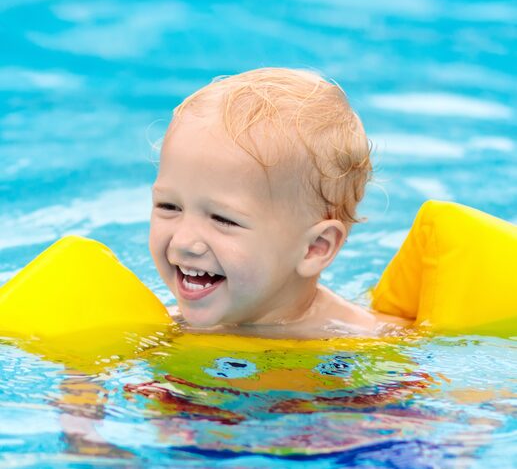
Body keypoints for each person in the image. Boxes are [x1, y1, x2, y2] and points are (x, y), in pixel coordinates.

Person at [149, 67, 408, 339]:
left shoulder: (366, 340)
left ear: (314, 248)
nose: (182, 242)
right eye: (169, 206)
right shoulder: (163, 329)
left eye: (223, 219)